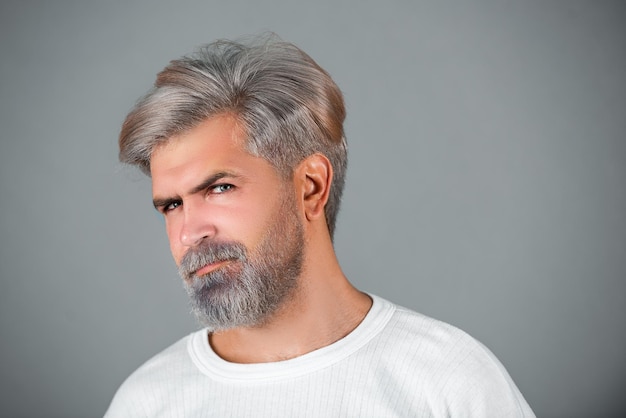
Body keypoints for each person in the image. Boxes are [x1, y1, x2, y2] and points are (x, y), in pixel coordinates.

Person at [106, 35, 535, 417]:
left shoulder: (449, 382)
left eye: (219, 188)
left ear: (310, 187)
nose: (188, 232)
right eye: (171, 205)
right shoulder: (146, 402)